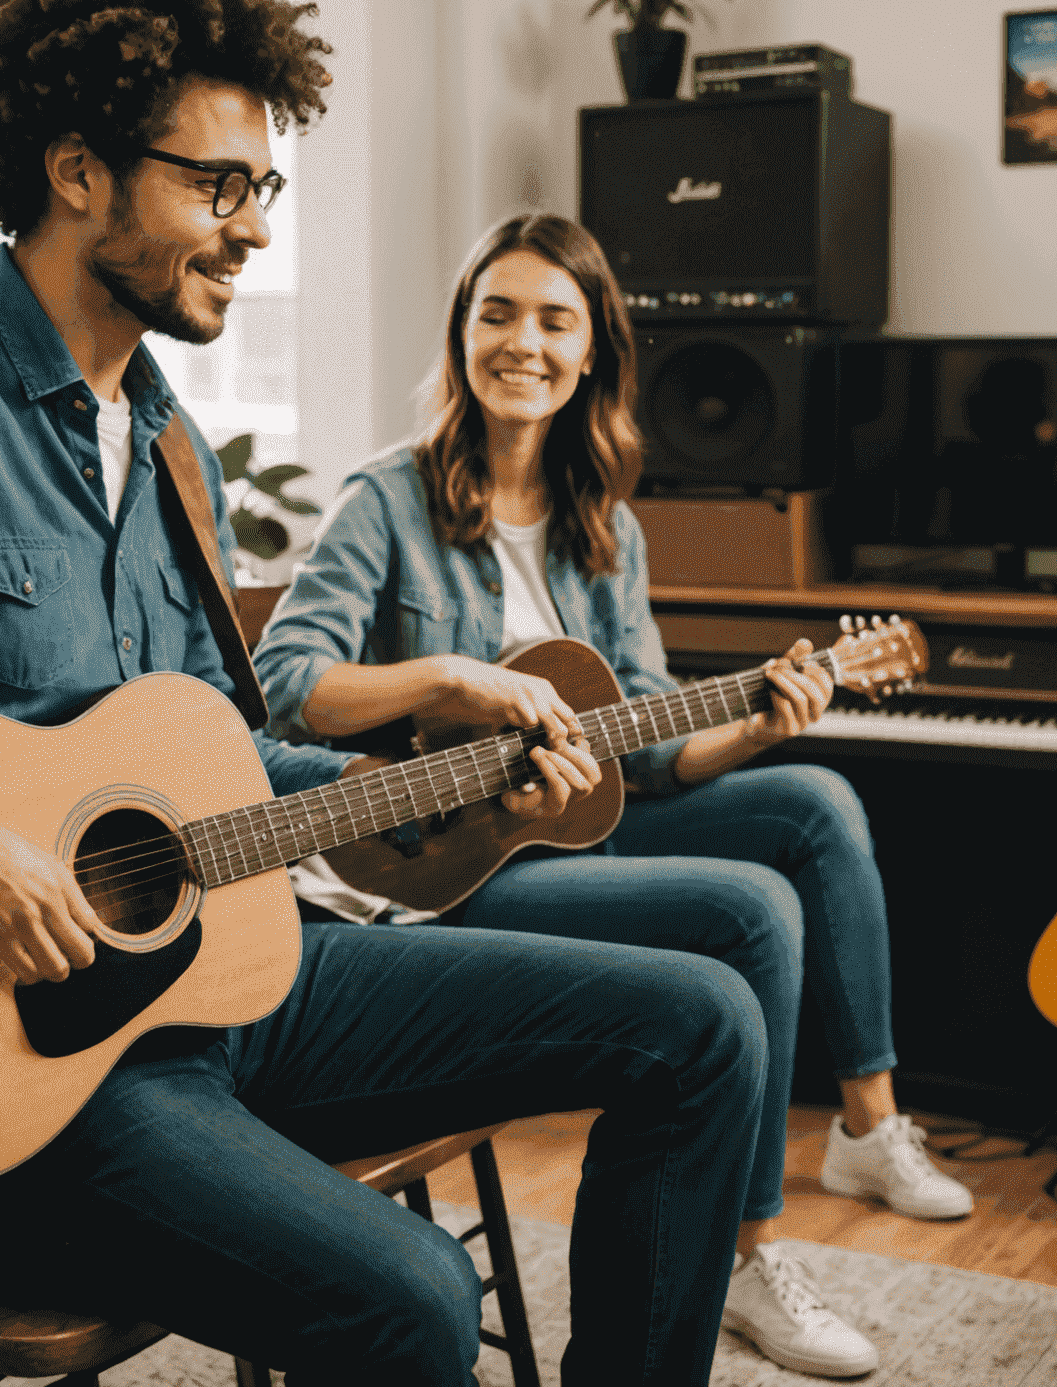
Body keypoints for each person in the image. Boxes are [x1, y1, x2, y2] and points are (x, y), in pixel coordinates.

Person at [0, 0, 772, 1386]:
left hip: (220, 993)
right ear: (77, 171)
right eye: (217, 184)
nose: (253, 225)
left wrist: (467, 788)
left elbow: (220, 769)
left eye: (264, 185)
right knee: (417, 1300)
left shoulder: (168, 446)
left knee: (705, 1020)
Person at [256, 212, 976, 1379]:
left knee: (817, 801)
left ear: (591, 352)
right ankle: (746, 1250)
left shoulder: (607, 524)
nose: (523, 342)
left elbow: (649, 751)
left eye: (555, 320)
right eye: (498, 313)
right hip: (453, 859)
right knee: (750, 910)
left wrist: (752, 721)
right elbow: (287, 686)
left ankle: (865, 1130)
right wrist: (451, 677)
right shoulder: (385, 501)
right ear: (462, 332)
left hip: (585, 817)